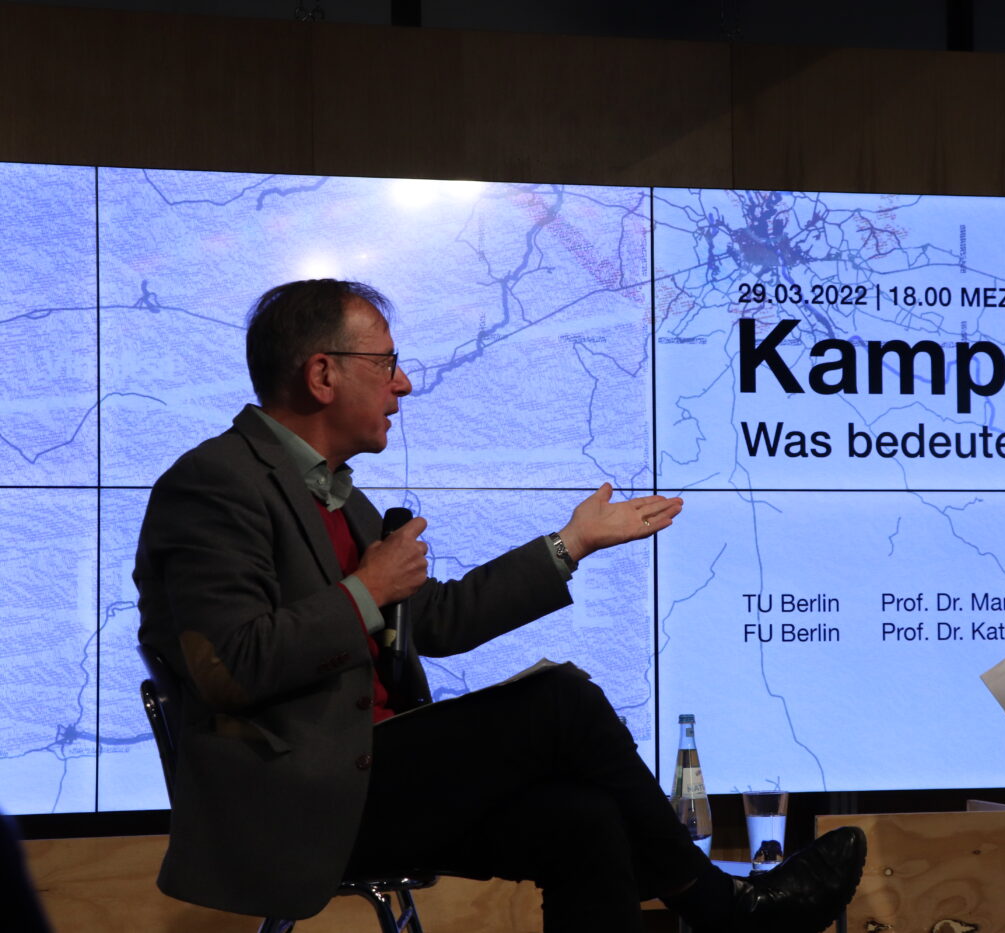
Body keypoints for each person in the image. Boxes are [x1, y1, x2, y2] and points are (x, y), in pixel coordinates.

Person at [134, 279, 865, 932]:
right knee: (561, 702)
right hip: (295, 801)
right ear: (323, 374)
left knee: (585, 821)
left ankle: (717, 910)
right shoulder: (214, 484)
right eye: (386, 364)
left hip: (368, 782)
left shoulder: (334, 493)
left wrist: (571, 544)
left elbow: (436, 621)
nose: (404, 384)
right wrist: (368, 590)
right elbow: (230, 667)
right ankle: (721, 909)